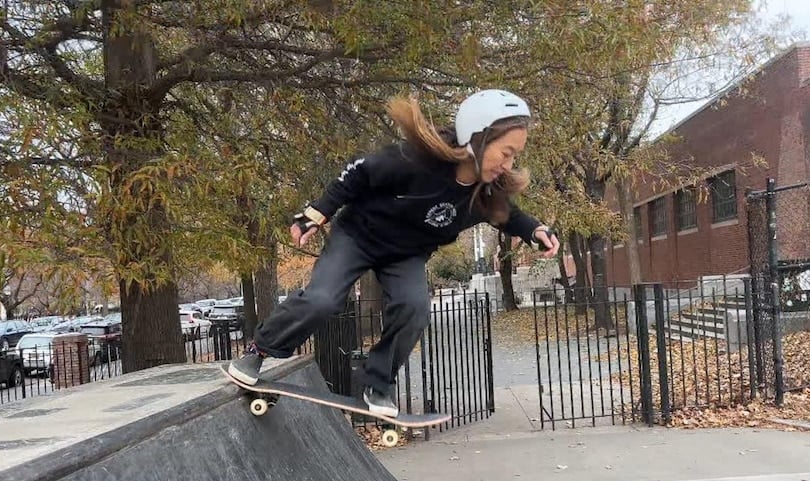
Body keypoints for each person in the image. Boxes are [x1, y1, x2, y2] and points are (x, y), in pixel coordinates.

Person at [223, 89, 560, 417]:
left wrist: (535, 231)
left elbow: (511, 217)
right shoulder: (414, 161)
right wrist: (319, 211)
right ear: (477, 136)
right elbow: (359, 170)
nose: (509, 163)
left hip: (406, 255)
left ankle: (378, 382)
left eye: (515, 156)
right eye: (506, 152)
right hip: (357, 238)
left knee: (415, 308)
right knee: (322, 300)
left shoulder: (486, 194)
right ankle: (258, 350)